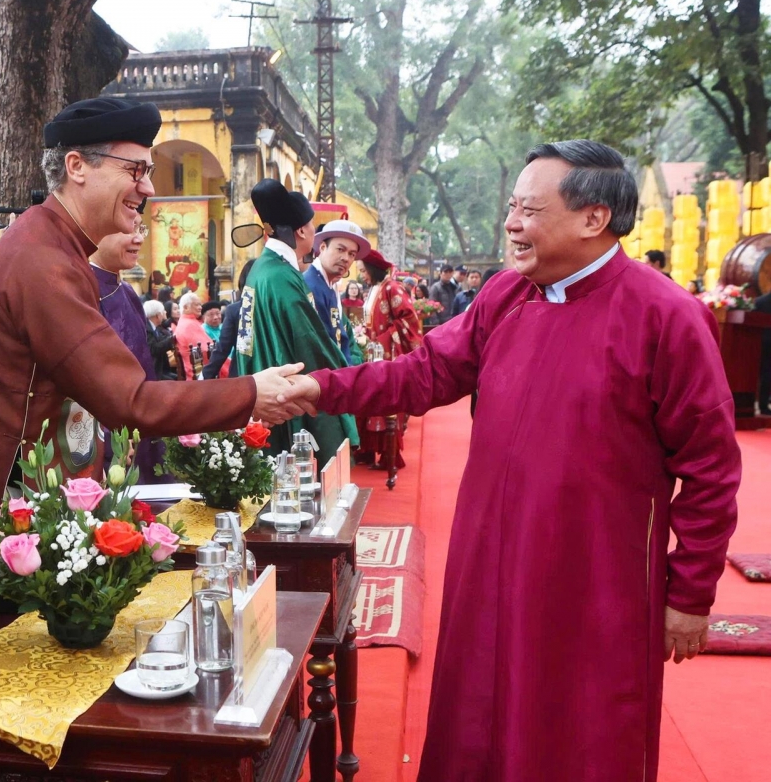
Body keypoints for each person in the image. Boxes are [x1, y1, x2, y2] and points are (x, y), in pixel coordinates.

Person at [289, 140, 741, 782]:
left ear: (594, 219)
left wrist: (691, 593)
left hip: (595, 580)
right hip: (490, 560)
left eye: (529, 209)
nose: (511, 224)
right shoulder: (505, 297)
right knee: (479, 711)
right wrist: (316, 389)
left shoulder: (667, 316)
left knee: (582, 725)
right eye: (511, 207)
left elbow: (710, 469)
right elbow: (422, 375)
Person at [0, 97, 309, 504]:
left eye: (150, 171)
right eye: (134, 170)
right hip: (19, 501)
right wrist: (249, 393)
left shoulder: (52, 244)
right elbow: (130, 399)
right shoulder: (43, 261)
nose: (148, 187)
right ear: (77, 167)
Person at [232, 178, 359, 464]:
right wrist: (346, 380)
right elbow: (308, 340)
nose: (314, 232)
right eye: (313, 226)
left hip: (258, 380)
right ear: (302, 230)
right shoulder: (281, 277)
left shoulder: (262, 269)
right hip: (277, 392)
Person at [93, 226, 175, 482]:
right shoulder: (83, 288)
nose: (138, 238)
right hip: (110, 436)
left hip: (141, 423)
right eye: (128, 229)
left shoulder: (127, 290)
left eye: (142, 228)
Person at [358, 250, 424, 469]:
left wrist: (385, 337)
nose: (361, 276)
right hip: (372, 353)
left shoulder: (391, 287)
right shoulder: (374, 288)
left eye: (363, 271)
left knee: (385, 401)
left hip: (386, 354)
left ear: (372, 269)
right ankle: (369, 450)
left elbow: (409, 318)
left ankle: (389, 454)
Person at [305, 220, 370, 364]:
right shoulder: (311, 286)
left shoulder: (329, 285)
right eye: (340, 249)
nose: (346, 258)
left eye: (352, 254)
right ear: (322, 247)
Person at [203, 259, 255, 380]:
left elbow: (223, 348)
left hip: (242, 374)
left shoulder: (234, 310)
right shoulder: (276, 308)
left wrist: (205, 376)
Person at [174, 292, 211, 377]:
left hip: (198, 368)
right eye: (196, 305)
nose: (200, 307)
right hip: (198, 372)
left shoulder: (187, 322)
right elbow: (205, 350)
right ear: (186, 307)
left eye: (200, 305)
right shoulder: (189, 324)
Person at [144, 299, 180, 380]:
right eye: (163, 311)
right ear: (158, 315)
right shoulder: (146, 329)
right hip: (154, 371)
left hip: (161, 368)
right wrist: (172, 339)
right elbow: (154, 349)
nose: (165, 313)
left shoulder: (154, 327)